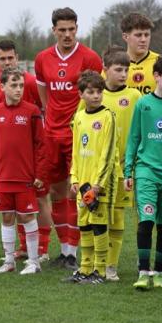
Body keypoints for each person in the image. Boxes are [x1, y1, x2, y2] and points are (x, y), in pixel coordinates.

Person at [34, 7, 103, 270]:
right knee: (56, 192)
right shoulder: (42, 59)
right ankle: (64, 250)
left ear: (77, 28)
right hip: (52, 134)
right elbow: (44, 97)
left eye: (71, 29)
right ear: (53, 30)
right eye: (61, 30)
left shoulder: (90, 57)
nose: (67, 34)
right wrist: (53, 119)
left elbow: (97, 97)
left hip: (79, 135)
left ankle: (78, 251)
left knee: (81, 191)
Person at [124, 55, 162, 291]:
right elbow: (134, 138)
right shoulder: (143, 104)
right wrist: (129, 169)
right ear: (157, 76)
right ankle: (143, 271)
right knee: (146, 220)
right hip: (145, 170)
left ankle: (159, 272)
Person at [0, 39, 51, 261]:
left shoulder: (33, 83)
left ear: (17, 58)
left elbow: (45, 109)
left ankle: (43, 248)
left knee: (41, 200)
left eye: (10, 58)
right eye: (2, 59)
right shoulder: (0, 87)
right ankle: (24, 247)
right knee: (14, 205)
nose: (7, 62)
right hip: (12, 159)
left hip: (34, 153)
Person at [0, 68, 45, 275]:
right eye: (14, 85)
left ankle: (34, 262)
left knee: (27, 217)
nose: (19, 89)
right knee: (7, 218)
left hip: (25, 177)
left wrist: (39, 174)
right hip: (2, 176)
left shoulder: (32, 111)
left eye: (21, 85)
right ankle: (9, 261)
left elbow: (40, 145)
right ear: (2, 87)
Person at [65, 70, 118, 284]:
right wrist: (74, 178)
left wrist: (98, 184)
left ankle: (101, 270)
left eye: (99, 92)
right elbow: (76, 151)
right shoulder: (78, 118)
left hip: (98, 185)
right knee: (84, 226)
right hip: (82, 184)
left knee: (99, 225)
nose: (96, 96)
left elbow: (108, 152)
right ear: (81, 95)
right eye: (91, 92)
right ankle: (85, 268)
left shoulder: (108, 116)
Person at [98, 48, 142, 281]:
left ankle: (111, 265)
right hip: (98, 170)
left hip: (124, 169)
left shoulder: (135, 97)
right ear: (105, 70)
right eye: (118, 70)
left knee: (116, 216)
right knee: (97, 215)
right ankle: (97, 261)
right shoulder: (95, 95)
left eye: (126, 69)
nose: (123, 74)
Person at [121, 12, 159, 95]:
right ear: (125, 37)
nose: (143, 39)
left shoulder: (161, 63)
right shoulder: (113, 65)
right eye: (138, 35)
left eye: (147, 35)